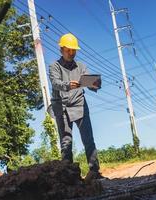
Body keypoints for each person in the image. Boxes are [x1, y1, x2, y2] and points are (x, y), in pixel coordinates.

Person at [49, 33, 103, 179]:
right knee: (66, 142)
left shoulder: (81, 67)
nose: (72, 53)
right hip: (62, 107)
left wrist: (94, 84)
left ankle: (94, 172)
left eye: (74, 50)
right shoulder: (54, 66)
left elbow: (89, 83)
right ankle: (69, 176)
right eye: (68, 50)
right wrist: (67, 85)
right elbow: (55, 83)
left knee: (88, 139)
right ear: (61, 50)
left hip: (79, 104)